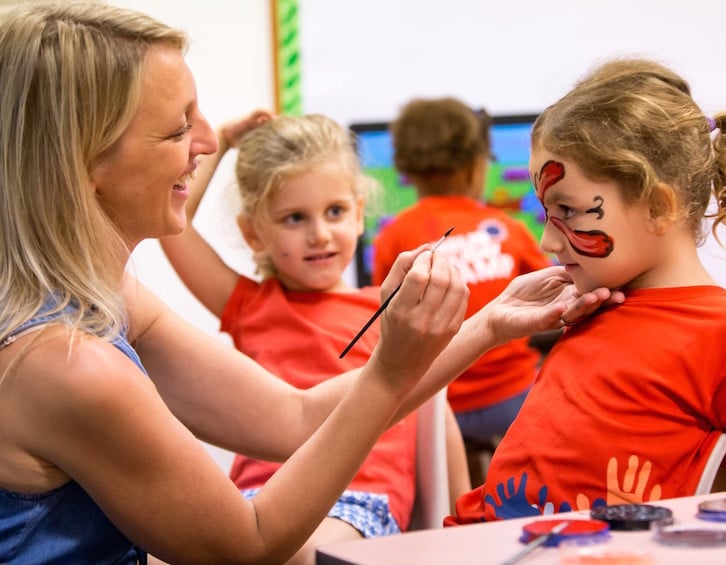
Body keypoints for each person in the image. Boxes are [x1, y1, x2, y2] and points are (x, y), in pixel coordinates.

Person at [0, 1, 622, 562]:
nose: (210, 141)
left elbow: (292, 417)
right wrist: (390, 367)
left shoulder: (104, 300)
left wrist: (486, 325)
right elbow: (248, 548)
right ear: (84, 163)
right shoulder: (68, 364)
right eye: (176, 128)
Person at [160, 112, 472, 562]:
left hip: (358, 498)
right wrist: (224, 143)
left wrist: (459, 522)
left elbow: (432, 406)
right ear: (254, 233)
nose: (320, 234)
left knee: (297, 556)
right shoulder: (250, 306)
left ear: (360, 214)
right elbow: (176, 228)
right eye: (294, 218)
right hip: (256, 498)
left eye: (335, 212)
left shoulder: (390, 311)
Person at [448, 57, 726, 525]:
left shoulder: (714, 331)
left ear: (658, 207)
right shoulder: (595, 301)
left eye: (569, 211)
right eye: (546, 213)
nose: (547, 242)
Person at [372, 97, 554, 483]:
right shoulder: (508, 228)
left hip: (437, 403)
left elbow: (384, 321)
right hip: (512, 397)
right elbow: (551, 293)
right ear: (477, 165)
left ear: (405, 168)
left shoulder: (393, 237)